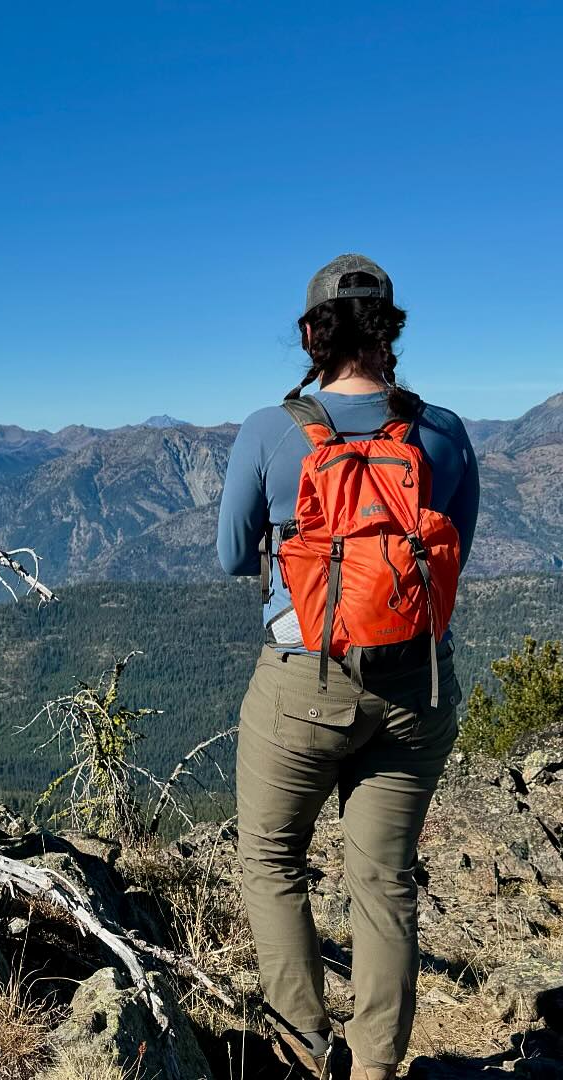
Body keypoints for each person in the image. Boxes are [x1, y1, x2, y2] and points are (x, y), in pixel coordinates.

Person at [216, 254, 481, 1080]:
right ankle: (374, 1071)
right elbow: (453, 553)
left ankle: (301, 1056)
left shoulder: (271, 428)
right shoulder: (444, 431)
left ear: (310, 333)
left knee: (270, 858)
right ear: (391, 329)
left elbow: (232, 555)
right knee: (385, 880)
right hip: (416, 683)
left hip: (305, 678)